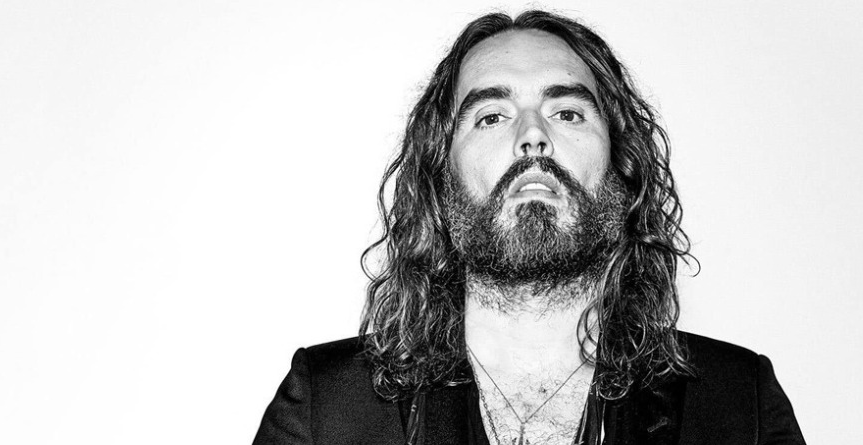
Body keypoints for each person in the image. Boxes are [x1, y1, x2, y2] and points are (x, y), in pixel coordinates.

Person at [252, 10, 805, 445]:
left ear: (621, 165)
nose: (533, 136)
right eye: (491, 116)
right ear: (440, 176)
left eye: (568, 113)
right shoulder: (328, 407)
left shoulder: (738, 403)